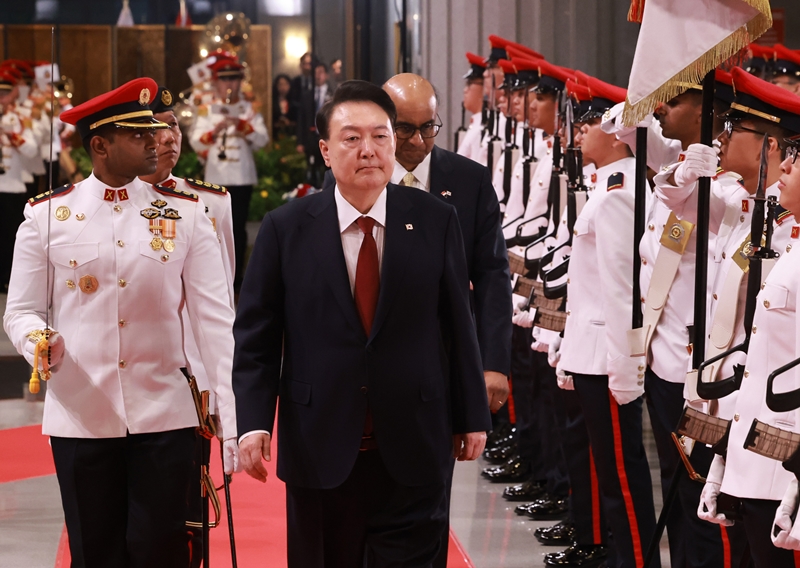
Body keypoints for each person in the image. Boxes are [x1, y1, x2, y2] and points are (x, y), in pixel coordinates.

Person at [233, 80, 491, 567]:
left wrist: (471, 413)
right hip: (320, 442)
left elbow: (458, 321)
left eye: (380, 136)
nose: (368, 150)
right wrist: (251, 424)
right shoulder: (285, 228)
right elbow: (256, 339)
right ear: (326, 151)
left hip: (416, 437)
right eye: (352, 138)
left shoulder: (436, 220)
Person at [3, 77, 239, 568]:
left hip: (165, 415)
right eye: (140, 135)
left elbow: (215, 321)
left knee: (163, 551)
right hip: (81, 414)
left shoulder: (186, 215)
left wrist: (231, 418)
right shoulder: (47, 216)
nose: (156, 141)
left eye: (153, 132)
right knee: (95, 552)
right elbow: (21, 310)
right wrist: (36, 339)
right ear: (100, 146)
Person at [696, 68, 800, 567]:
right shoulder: (754, 212)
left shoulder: (782, 230)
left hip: (784, 449)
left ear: (771, 146)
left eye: (734, 128)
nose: (721, 136)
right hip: (745, 426)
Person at [140, 85, 236, 568]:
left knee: (188, 514)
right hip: (132, 375)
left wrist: (221, 389)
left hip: (191, 382)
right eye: (156, 127)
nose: (168, 137)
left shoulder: (210, 203)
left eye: (174, 125)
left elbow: (221, 300)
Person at [189, 52, 268, 291]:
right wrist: (214, 132)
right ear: (216, 82)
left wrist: (242, 126)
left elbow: (262, 139)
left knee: (239, 227)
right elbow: (195, 141)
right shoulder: (208, 108)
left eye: (234, 79)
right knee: (214, 227)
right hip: (216, 177)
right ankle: (217, 275)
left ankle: (238, 276)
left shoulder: (248, 108)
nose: (230, 84)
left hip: (242, 177)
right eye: (225, 79)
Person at [297, 61, 335, 187]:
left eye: (321, 72)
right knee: (312, 169)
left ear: (326, 75)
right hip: (311, 137)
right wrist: (300, 142)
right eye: (315, 73)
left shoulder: (334, 95)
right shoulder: (306, 95)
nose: (318, 76)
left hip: (328, 137)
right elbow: (301, 120)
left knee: (329, 169)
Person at [272, 73, 296, 138]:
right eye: (280, 84)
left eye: (286, 84)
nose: (283, 87)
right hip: (275, 135)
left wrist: (289, 123)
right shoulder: (272, 103)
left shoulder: (294, 102)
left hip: (291, 135)